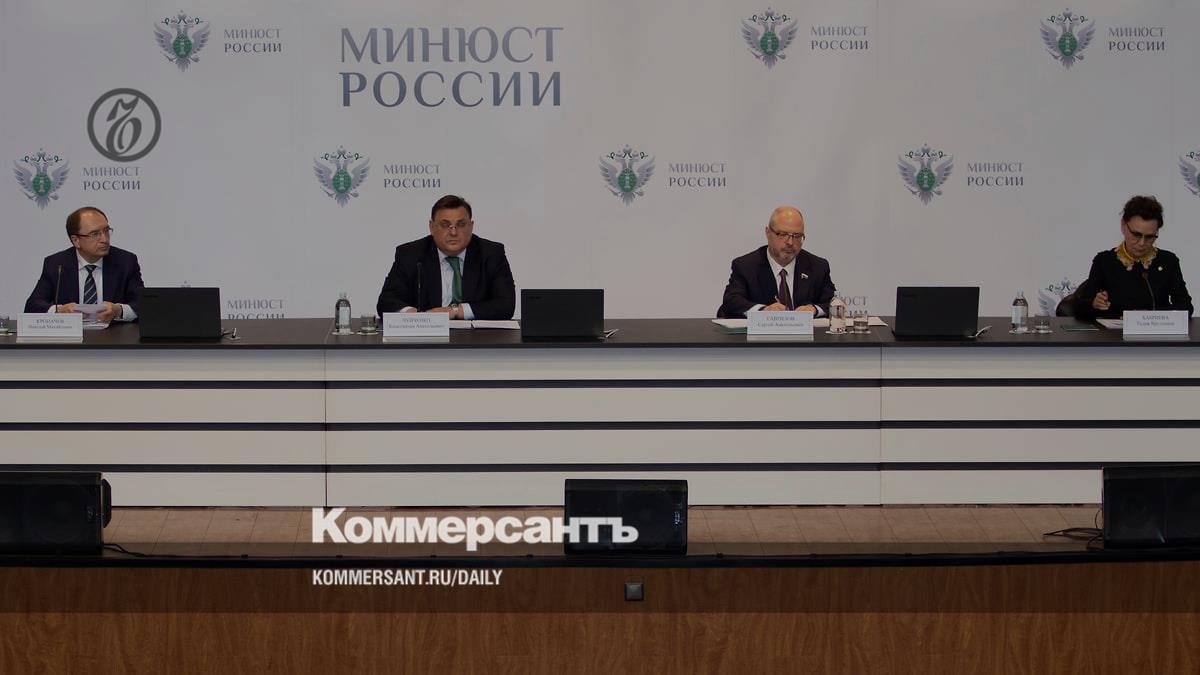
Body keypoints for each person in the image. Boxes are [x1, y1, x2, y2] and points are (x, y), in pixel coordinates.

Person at [376, 194, 516, 319]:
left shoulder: (491, 254)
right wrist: (417, 316)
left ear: (471, 226)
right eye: (445, 225)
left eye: (461, 224)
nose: (453, 232)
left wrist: (455, 311)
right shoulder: (411, 254)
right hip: (427, 336)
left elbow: (505, 305)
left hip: (475, 337)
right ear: (432, 227)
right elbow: (386, 302)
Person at [1073, 195, 1192, 320]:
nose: (1142, 243)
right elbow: (1080, 308)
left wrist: (1148, 316)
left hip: (1154, 330)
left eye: (1150, 237)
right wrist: (1094, 304)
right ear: (1123, 226)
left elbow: (1186, 307)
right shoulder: (1104, 261)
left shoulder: (1168, 261)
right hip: (1114, 332)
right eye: (1136, 235)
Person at [24, 206, 143, 322]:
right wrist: (60, 310)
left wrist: (118, 310)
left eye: (106, 230)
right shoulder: (56, 264)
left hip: (113, 334)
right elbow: (33, 306)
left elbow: (142, 305)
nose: (105, 239)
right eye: (95, 234)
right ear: (76, 240)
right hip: (71, 334)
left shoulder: (125, 261)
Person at [717, 206, 836, 318]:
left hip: (804, 333)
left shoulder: (818, 266)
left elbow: (833, 302)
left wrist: (814, 309)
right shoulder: (746, 266)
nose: (790, 242)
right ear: (768, 233)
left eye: (797, 236)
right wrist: (763, 311)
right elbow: (731, 301)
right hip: (762, 333)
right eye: (783, 234)